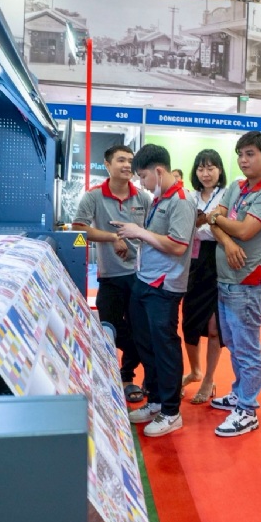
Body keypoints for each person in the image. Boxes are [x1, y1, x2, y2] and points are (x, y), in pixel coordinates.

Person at [205, 131, 261, 437]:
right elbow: (220, 224)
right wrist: (226, 240)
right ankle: (239, 394)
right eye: (240, 154)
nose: (243, 160)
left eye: (250, 154)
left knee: (247, 347)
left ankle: (248, 409)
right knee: (234, 344)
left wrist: (217, 220)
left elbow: (244, 230)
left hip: (249, 283)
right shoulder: (236, 187)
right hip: (226, 280)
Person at [114, 144, 196, 437]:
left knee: (164, 347)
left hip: (164, 285)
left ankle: (171, 412)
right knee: (145, 343)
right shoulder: (160, 199)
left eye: (143, 176)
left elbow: (177, 245)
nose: (141, 183)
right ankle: (158, 400)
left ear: (158, 171)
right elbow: (156, 240)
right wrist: (134, 234)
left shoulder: (181, 201)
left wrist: (139, 232)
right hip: (145, 280)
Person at [72, 144, 152, 404]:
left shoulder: (143, 198)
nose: (127, 165)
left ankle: (127, 378)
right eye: (121, 160)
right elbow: (78, 229)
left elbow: (153, 232)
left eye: (130, 160)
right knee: (111, 327)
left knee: (141, 327)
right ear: (107, 165)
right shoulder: (93, 197)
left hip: (141, 275)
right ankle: (117, 373)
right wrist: (113, 237)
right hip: (110, 276)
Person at [182, 149, 227, 405]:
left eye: (211, 168)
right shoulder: (190, 197)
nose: (206, 173)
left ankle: (209, 378)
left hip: (218, 260)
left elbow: (227, 226)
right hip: (193, 262)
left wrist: (207, 222)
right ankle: (195, 370)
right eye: (201, 168)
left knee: (214, 328)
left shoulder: (227, 195)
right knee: (189, 323)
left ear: (220, 170)